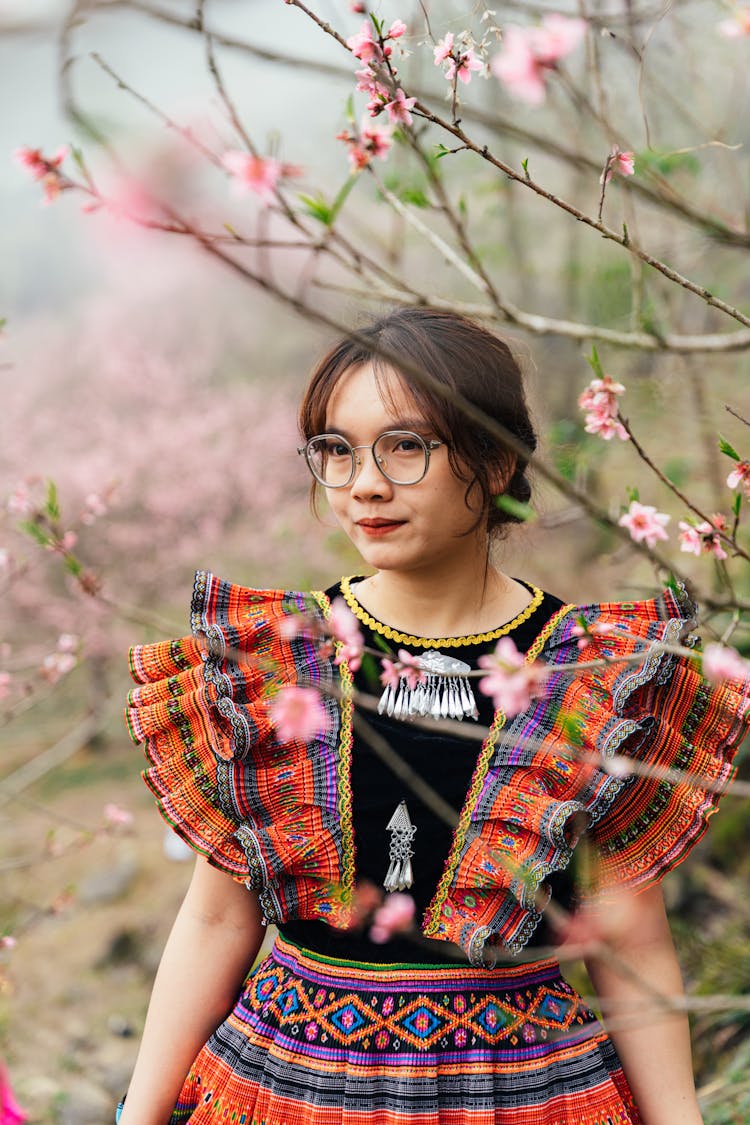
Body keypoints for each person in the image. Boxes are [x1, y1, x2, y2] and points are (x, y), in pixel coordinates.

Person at [120, 307, 747, 1125]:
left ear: (491, 460)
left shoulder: (589, 671)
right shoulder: (280, 662)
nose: (365, 483)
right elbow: (214, 917)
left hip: (522, 1089)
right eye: (336, 451)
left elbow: (629, 936)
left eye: (406, 445)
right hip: (289, 1085)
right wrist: (139, 1113)